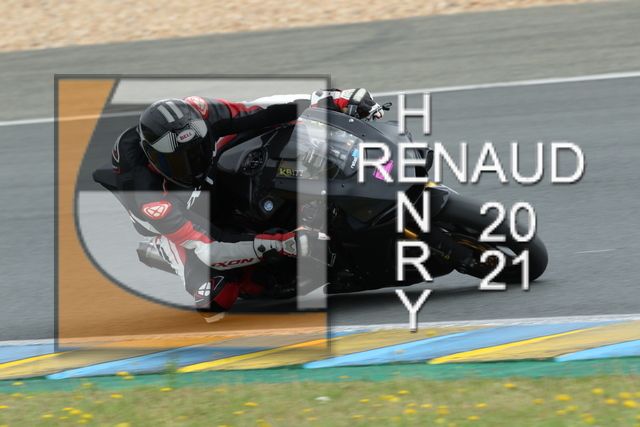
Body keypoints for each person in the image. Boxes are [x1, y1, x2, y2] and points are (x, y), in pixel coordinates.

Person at [110, 88, 383, 318]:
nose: (194, 163)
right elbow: (211, 248)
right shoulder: (146, 195)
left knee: (274, 126)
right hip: (180, 221)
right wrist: (283, 243)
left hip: (209, 181)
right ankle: (164, 249)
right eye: (181, 161)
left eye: (197, 151)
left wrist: (329, 99)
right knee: (216, 297)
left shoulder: (198, 112)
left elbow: (258, 109)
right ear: (153, 157)